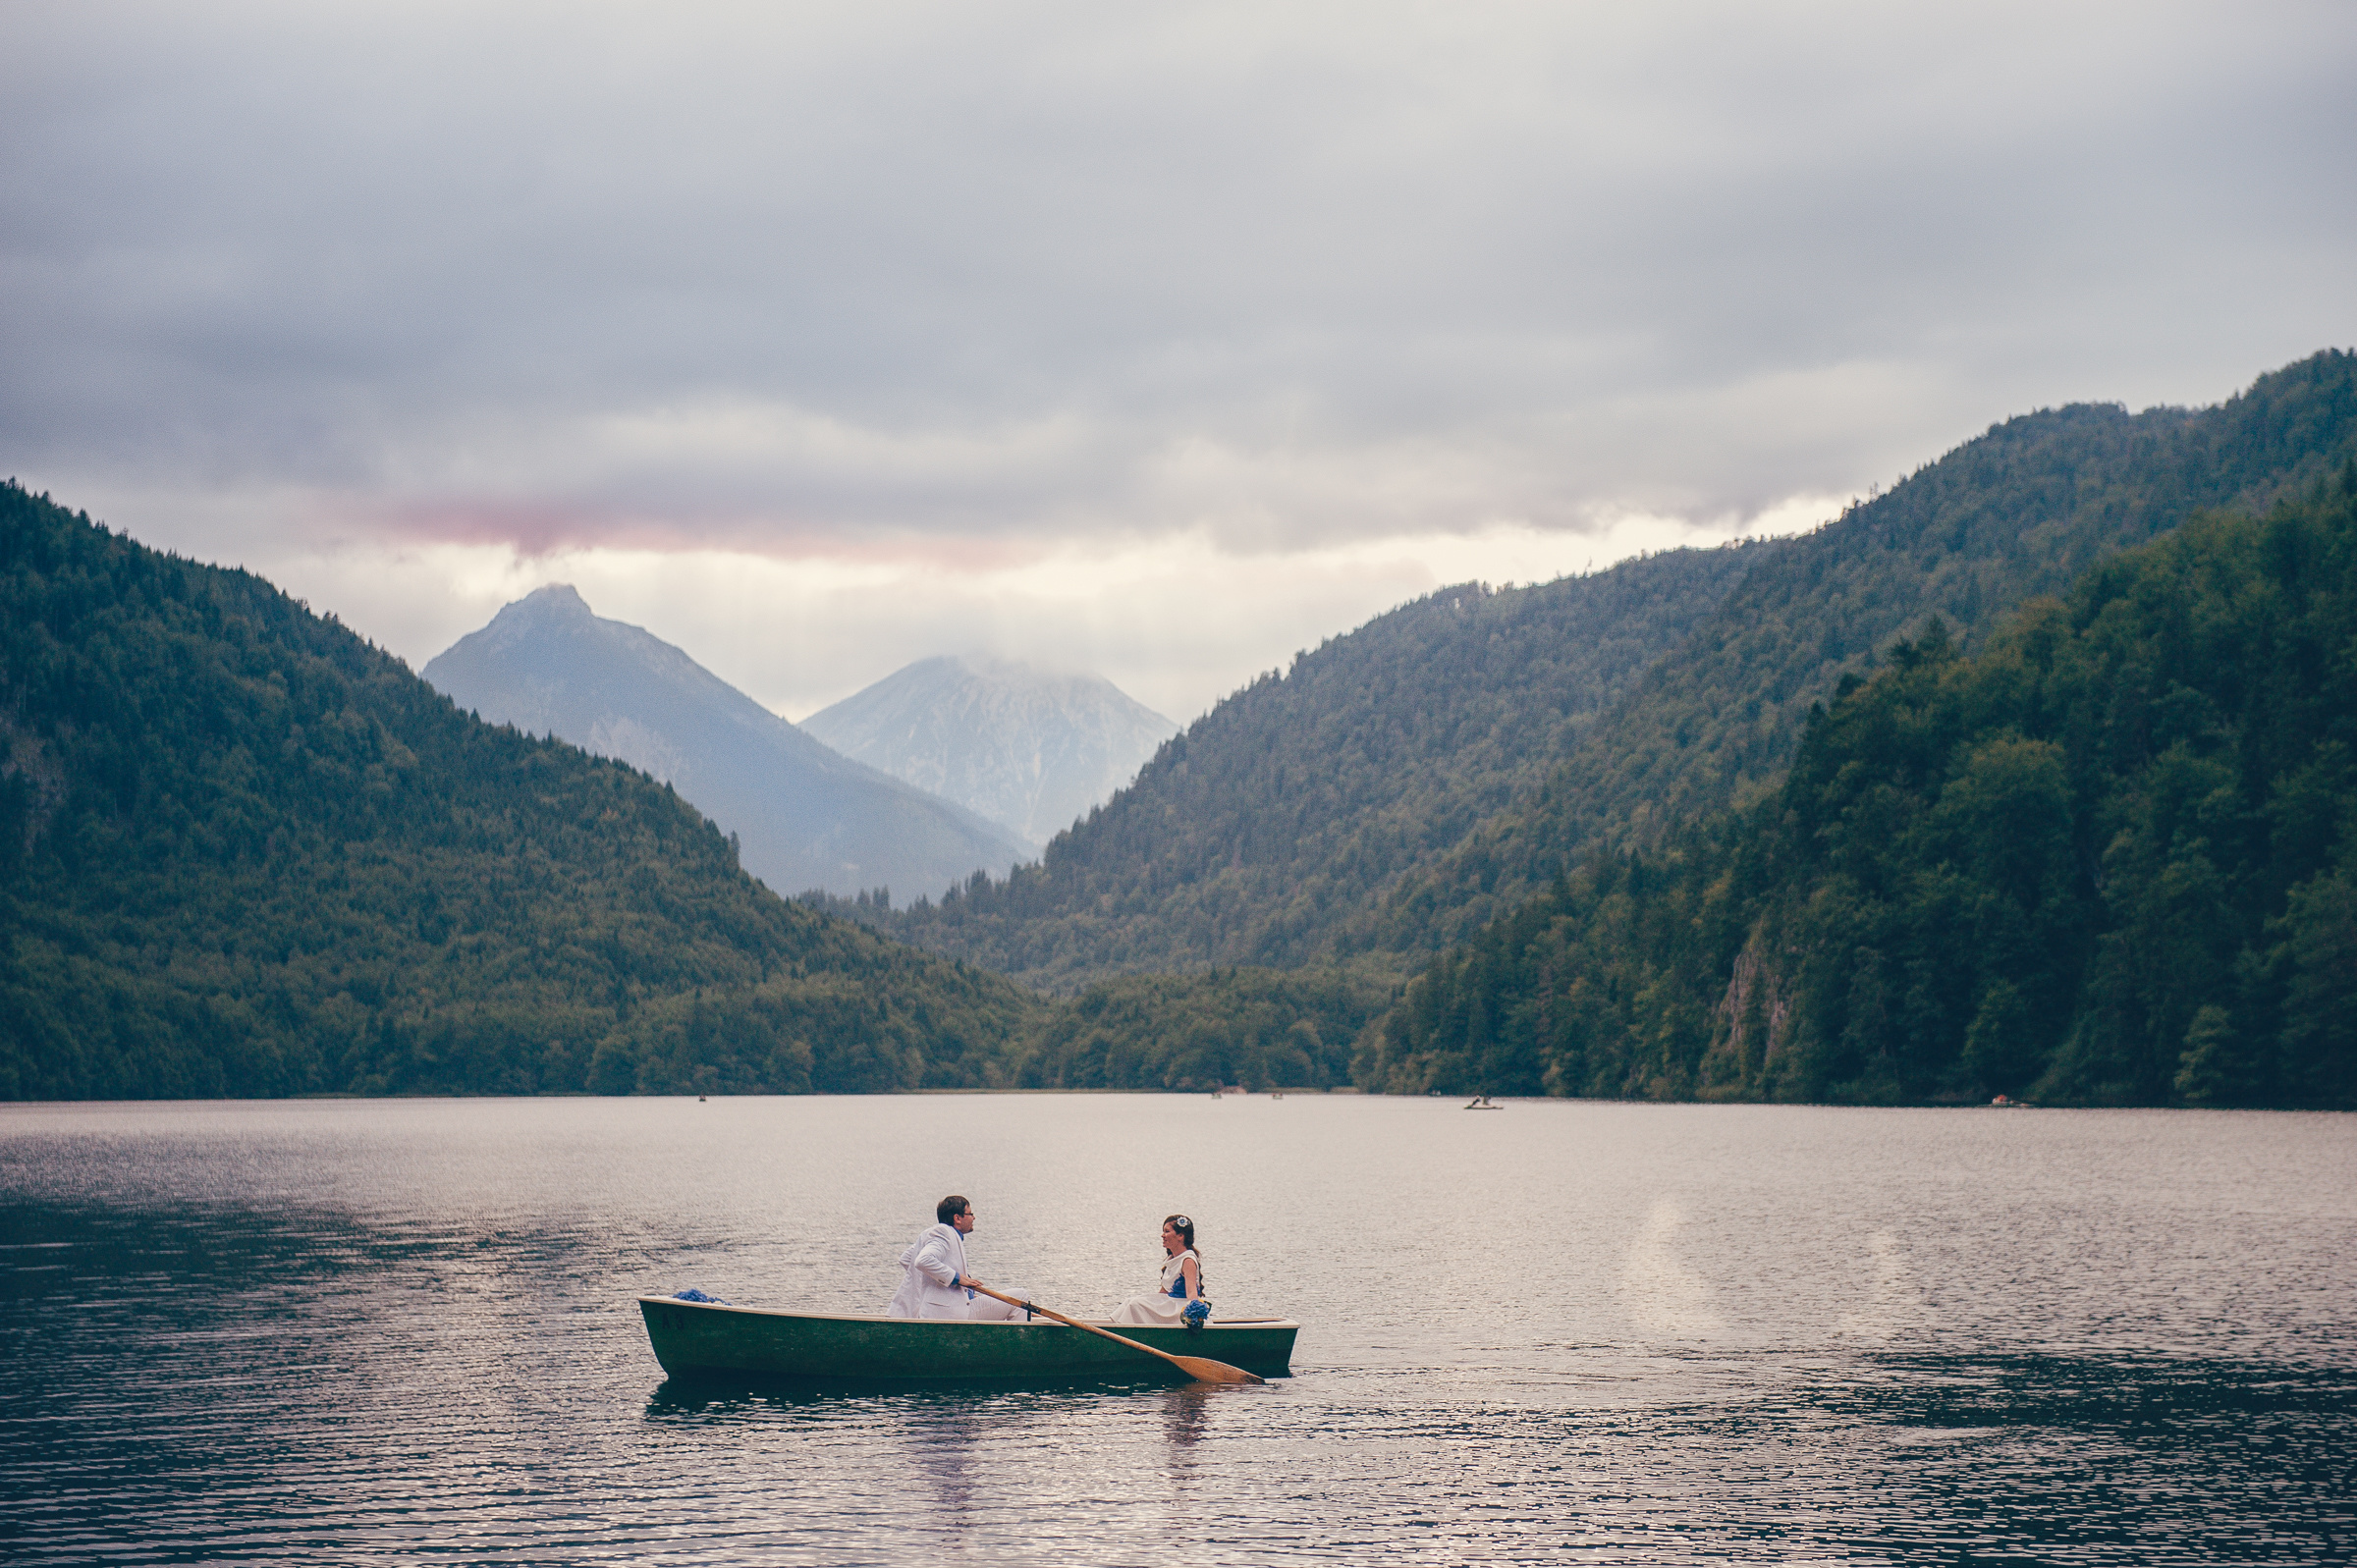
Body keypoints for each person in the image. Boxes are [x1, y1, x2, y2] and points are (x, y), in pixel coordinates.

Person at [884, 1195, 1024, 1320]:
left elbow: (907, 1258)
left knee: (1014, 1300)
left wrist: (962, 1293)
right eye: (970, 1213)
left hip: (940, 1310)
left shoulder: (932, 1233)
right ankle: (1021, 1344)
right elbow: (922, 1261)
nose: (973, 1217)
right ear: (957, 1218)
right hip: (951, 1313)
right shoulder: (943, 1233)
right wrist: (957, 1278)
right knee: (1021, 1295)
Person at [1108, 1213, 1212, 1326]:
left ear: (1180, 1236)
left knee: (1135, 1304)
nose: (1162, 1235)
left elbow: (1192, 1293)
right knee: (1131, 1301)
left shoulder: (1188, 1260)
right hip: (1169, 1304)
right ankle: (1121, 1329)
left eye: (1167, 1231)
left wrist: (1194, 1315)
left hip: (1179, 1309)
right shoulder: (1172, 1259)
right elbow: (1163, 1292)